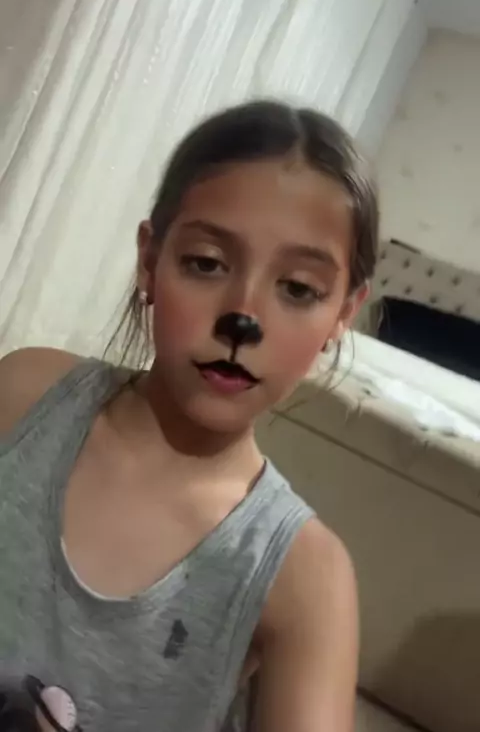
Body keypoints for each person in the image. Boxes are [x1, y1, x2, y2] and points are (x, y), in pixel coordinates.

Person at [0, 100, 378, 732]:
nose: (243, 318)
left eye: (298, 289)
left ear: (343, 312)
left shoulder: (304, 577)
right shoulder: (24, 395)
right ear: (150, 261)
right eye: (206, 263)